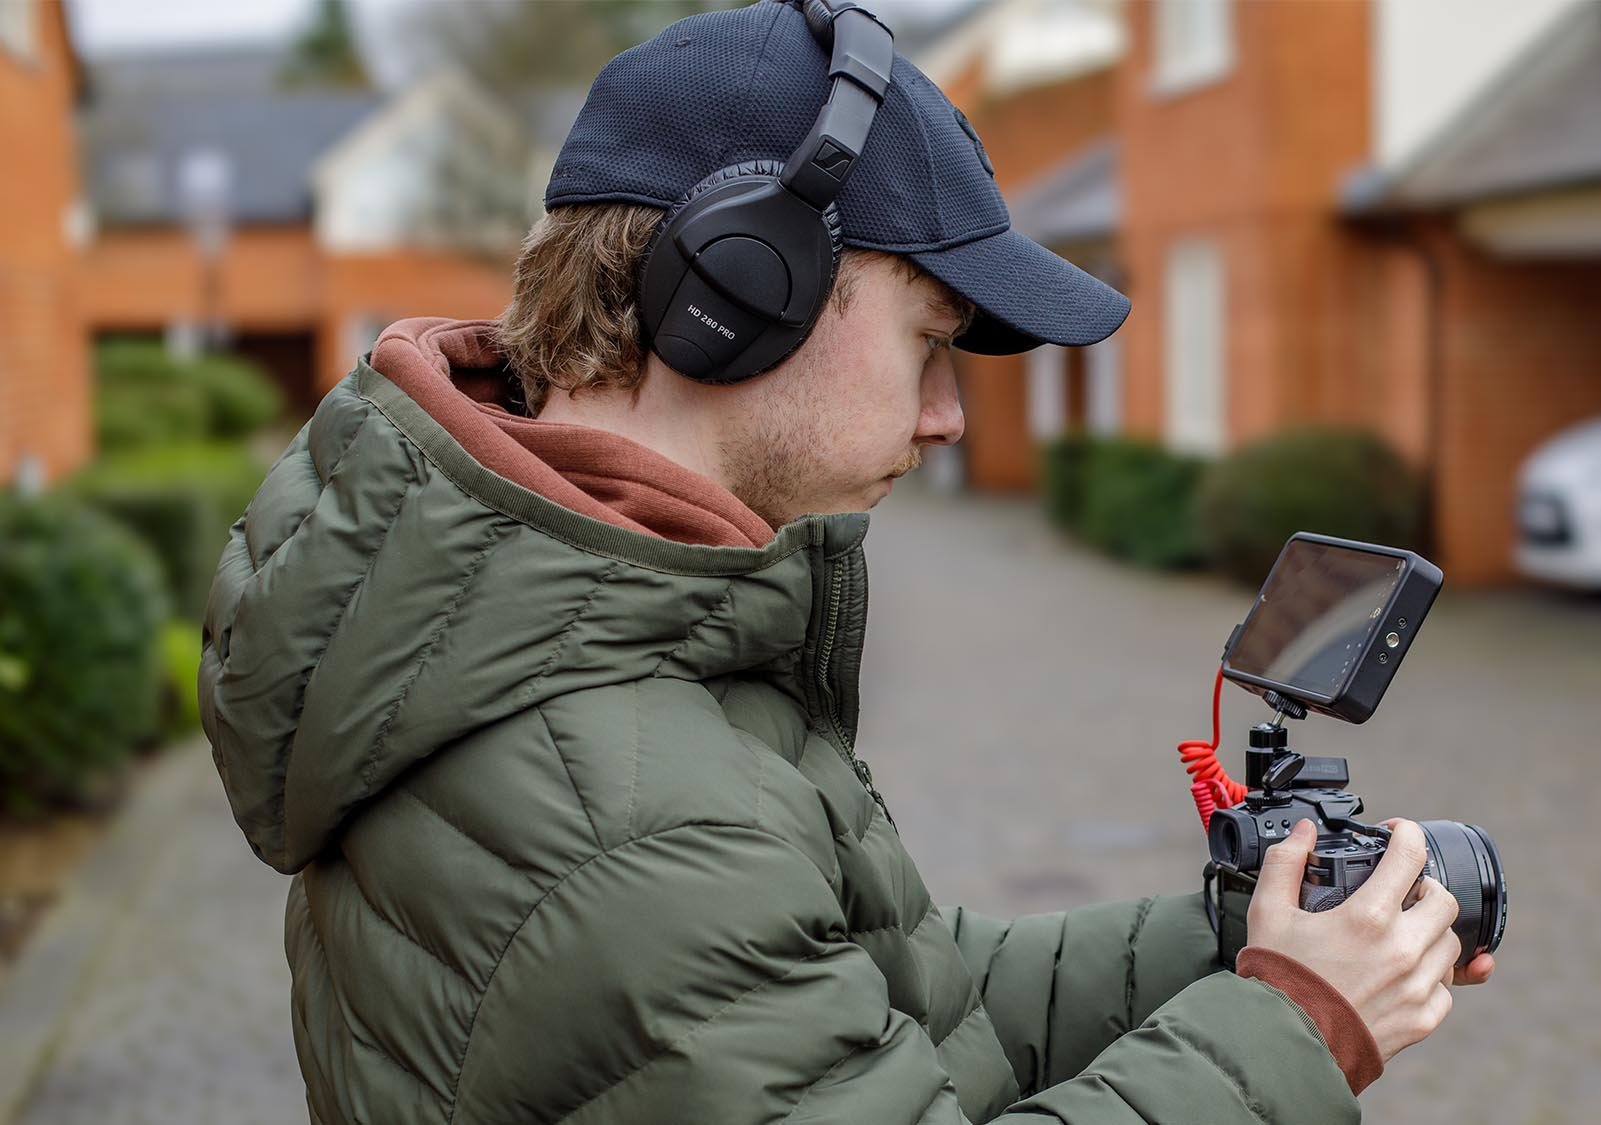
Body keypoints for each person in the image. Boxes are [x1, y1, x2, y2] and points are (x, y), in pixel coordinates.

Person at [199, 2, 1492, 1121]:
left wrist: (1254, 930)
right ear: (739, 291)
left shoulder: (595, 636)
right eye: (928, 341)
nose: (949, 418)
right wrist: (1303, 1022)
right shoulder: (629, 810)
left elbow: (911, 999)